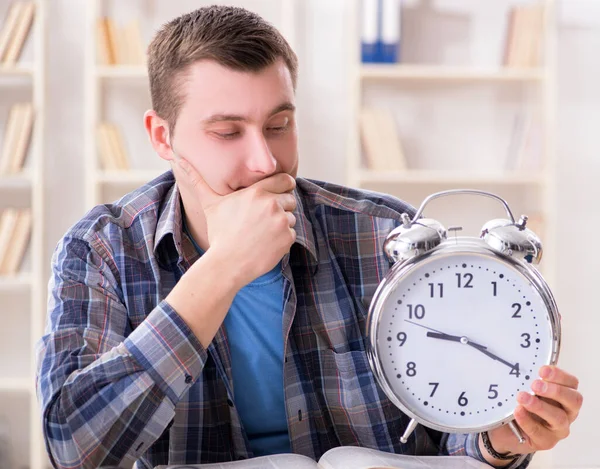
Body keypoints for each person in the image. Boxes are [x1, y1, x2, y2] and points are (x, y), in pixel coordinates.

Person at [36, 6, 582, 469]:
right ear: (162, 135)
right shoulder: (103, 248)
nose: (265, 160)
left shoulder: (384, 234)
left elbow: (443, 427)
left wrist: (499, 439)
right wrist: (222, 267)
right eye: (227, 132)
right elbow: (74, 447)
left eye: (279, 125)